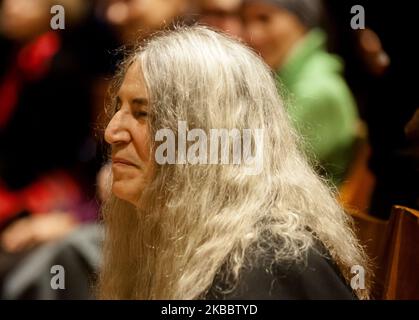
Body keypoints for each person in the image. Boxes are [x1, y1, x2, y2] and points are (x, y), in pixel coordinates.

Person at [98, 26, 369, 300]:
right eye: (119, 108)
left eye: (142, 113)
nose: (112, 132)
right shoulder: (172, 235)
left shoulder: (263, 266)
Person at [242, 0, 359, 186]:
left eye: (264, 19)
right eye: (245, 21)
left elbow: (255, 173)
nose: (252, 35)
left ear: (301, 22)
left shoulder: (317, 89)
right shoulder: (284, 78)